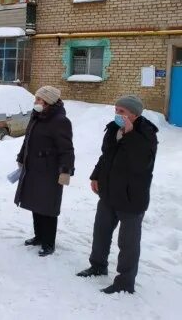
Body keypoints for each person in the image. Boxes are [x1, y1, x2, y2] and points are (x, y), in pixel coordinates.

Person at [77, 95, 158, 294]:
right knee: (101, 232)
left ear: (135, 114)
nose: (117, 114)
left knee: (128, 242)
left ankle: (125, 281)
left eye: (122, 111)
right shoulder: (113, 128)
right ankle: (98, 265)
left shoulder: (146, 134)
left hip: (132, 197)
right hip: (109, 192)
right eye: (116, 110)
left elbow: (141, 164)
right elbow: (106, 156)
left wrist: (130, 135)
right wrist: (96, 176)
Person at [14, 86, 75, 257]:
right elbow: (27, 140)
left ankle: (49, 243)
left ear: (48, 101)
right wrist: (21, 157)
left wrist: (65, 171)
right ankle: (39, 236)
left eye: (39, 99)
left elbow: (67, 149)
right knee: (36, 203)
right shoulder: (37, 116)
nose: (36, 102)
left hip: (50, 171)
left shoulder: (60, 121)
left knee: (48, 207)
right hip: (34, 168)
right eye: (36, 99)